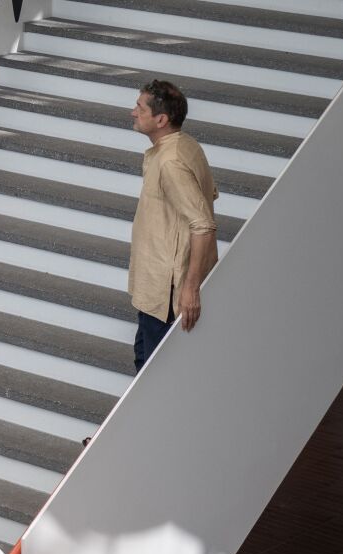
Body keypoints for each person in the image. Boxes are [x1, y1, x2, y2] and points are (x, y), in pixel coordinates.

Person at [128, 79, 218, 372]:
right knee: (146, 360)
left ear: (161, 119)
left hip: (166, 288)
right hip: (156, 283)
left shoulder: (170, 161)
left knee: (154, 371)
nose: (133, 112)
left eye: (139, 107)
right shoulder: (186, 145)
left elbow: (203, 224)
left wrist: (190, 289)